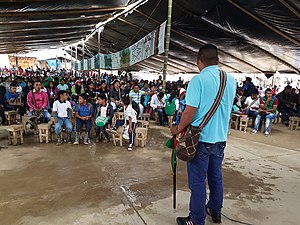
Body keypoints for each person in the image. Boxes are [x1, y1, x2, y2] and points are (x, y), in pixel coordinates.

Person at [171, 44, 236, 225]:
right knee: (216, 177)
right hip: (221, 138)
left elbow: (190, 112)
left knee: (198, 182)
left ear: (198, 61)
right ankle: (215, 211)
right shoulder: (230, 80)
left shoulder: (198, 81)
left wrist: (177, 128)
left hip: (200, 140)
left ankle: (197, 220)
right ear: (218, 60)